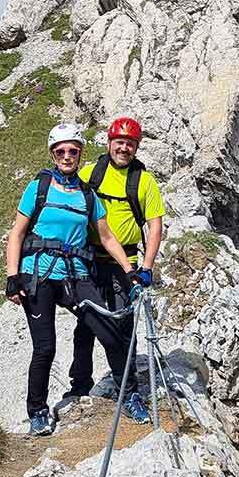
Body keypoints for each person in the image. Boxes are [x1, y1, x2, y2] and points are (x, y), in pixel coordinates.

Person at [5, 123, 150, 435]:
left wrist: (130, 271)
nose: (67, 156)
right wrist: (12, 277)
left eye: (73, 150)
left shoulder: (87, 194)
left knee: (111, 334)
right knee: (45, 348)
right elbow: (16, 233)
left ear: (80, 154)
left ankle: (130, 394)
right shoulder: (38, 187)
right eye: (61, 151)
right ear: (53, 155)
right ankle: (38, 413)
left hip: (75, 276)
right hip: (39, 275)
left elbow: (107, 237)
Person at [66, 116, 165, 420]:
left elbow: (155, 225)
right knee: (86, 323)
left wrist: (146, 268)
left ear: (136, 148)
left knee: (124, 327)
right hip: (89, 260)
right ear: (109, 143)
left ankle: (130, 392)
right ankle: (80, 384)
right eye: (119, 142)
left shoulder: (144, 182)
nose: (124, 148)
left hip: (127, 264)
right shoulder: (89, 173)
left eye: (130, 144)